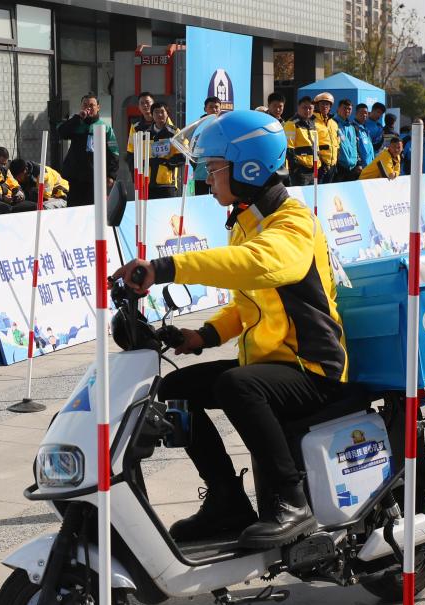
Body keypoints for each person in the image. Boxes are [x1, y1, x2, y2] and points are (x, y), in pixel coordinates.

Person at [111, 110, 351, 548]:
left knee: (238, 387)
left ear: (250, 168)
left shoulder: (292, 222)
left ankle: (290, 502)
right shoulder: (247, 224)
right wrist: (201, 336)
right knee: (175, 388)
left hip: (313, 368)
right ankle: (226, 500)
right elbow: (249, 305)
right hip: (273, 367)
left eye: (215, 167)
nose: (208, 177)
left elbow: (257, 265)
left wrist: (167, 267)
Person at [57, 93, 120, 207]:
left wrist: (111, 175)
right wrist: (78, 118)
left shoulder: (105, 127)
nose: (88, 108)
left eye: (92, 105)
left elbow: (114, 152)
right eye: (85, 105)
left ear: (98, 107)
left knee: (94, 209)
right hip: (74, 176)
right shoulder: (76, 123)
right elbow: (61, 132)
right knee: (74, 209)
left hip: (95, 177)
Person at [127, 96, 184, 199]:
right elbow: (132, 155)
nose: (160, 115)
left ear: (167, 113)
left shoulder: (175, 133)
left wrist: (167, 164)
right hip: (146, 183)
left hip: (166, 183)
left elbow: (182, 155)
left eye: (162, 112)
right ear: (152, 115)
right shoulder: (144, 135)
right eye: (156, 112)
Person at [283, 96, 317, 186]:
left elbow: (315, 146)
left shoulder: (312, 124)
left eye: (310, 108)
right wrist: (296, 168)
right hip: (300, 171)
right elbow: (288, 148)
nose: (308, 111)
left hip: (314, 169)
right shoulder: (291, 124)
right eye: (304, 108)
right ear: (298, 108)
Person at [191, 96, 221, 196]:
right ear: (205, 109)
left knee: (217, 202)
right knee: (200, 202)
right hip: (201, 174)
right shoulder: (198, 127)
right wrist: (196, 165)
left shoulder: (224, 125)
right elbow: (191, 148)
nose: (214, 110)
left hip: (218, 173)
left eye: (216, 107)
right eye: (211, 107)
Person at [312, 92, 340, 183]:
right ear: (316, 105)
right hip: (319, 166)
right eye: (322, 104)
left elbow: (337, 143)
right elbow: (311, 145)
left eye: (327, 104)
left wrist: (335, 162)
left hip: (332, 166)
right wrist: (321, 164)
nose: (325, 106)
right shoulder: (312, 122)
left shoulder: (334, 123)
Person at [334, 99, 362, 181]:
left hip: (353, 168)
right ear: (338, 109)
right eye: (344, 108)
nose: (347, 111)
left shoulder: (352, 127)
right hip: (339, 168)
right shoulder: (332, 123)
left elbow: (355, 146)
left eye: (349, 109)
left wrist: (358, 163)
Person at [353, 104, 375, 172]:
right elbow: (354, 148)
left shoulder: (365, 129)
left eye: (366, 113)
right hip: (360, 168)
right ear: (356, 113)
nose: (364, 115)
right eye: (361, 113)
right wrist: (358, 164)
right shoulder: (353, 128)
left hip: (369, 167)